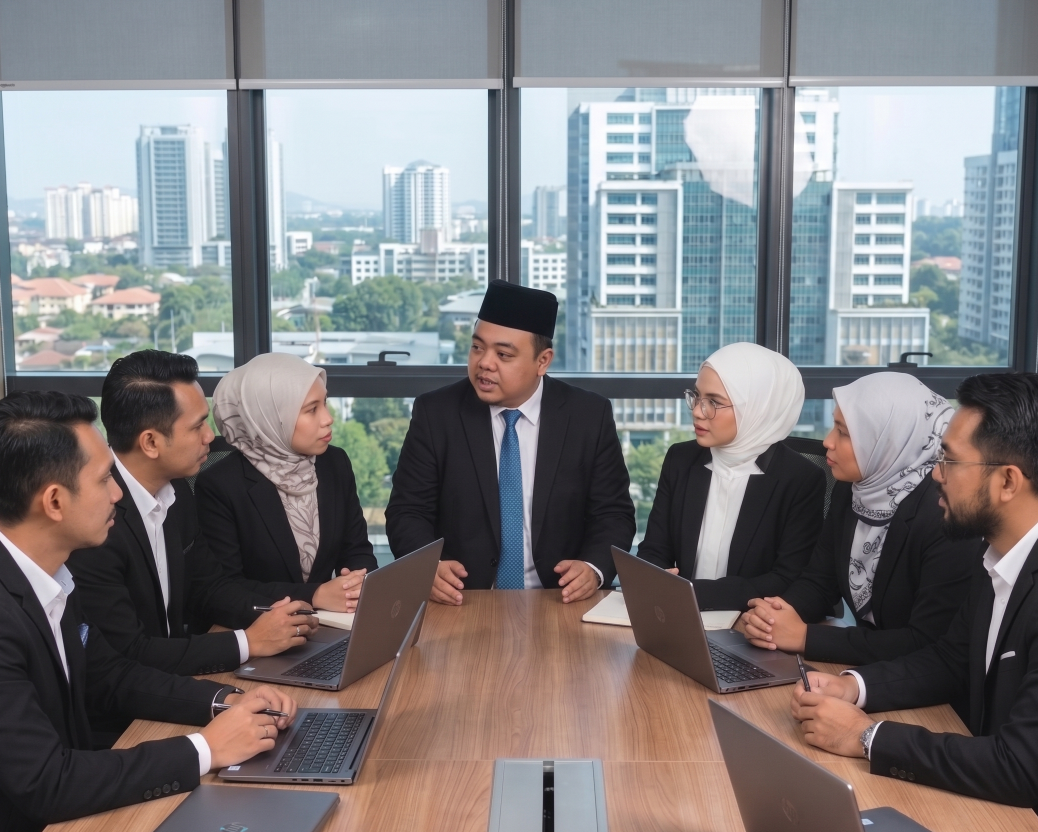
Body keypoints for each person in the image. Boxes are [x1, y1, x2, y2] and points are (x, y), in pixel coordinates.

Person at [0, 391, 297, 832]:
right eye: (104, 478)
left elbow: (111, 675)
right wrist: (205, 749)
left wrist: (225, 701)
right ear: (54, 502)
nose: (118, 492)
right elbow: (47, 782)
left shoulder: (51, 572)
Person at [790, 372, 1038, 826]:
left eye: (949, 460)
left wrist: (868, 737)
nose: (934, 474)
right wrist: (854, 687)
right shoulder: (997, 557)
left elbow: (1020, 766)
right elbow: (950, 660)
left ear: (1008, 481)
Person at [67, 351, 323, 746]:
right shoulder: (96, 522)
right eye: (198, 425)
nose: (210, 437)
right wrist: (247, 642)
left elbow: (210, 587)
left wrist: (295, 611)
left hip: (178, 686)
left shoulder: (177, 493)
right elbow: (128, 654)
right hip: (123, 725)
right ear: (151, 442)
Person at [386, 279, 635, 605]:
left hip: (559, 600)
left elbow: (613, 514)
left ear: (542, 361)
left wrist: (593, 568)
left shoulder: (588, 416)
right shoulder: (436, 413)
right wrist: (426, 567)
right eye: (477, 347)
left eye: (503, 354)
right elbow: (407, 511)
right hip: (463, 601)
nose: (485, 363)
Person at [739, 372, 980, 665]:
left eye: (844, 432)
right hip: (868, 664)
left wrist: (805, 637)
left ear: (889, 441)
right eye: (834, 426)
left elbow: (926, 642)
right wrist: (773, 617)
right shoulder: (853, 489)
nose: (828, 442)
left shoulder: (946, 514)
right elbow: (819, 581)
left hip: (920, 679)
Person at [636, 342, 824, 611]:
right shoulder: (680, 458)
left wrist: (691, 593)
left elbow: (787, 578)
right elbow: (654, 548)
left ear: (756, 408)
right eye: (696, 396)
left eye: (713, 402)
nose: (697, 411)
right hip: (676, 613)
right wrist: (655, 581)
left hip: (749, 621)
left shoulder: (800, 479)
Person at [196, 352, 377, 602]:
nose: (328, 419)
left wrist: (357, 585)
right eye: (311, 410)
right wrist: (314, 595)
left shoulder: (335, 463)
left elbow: (357, 550)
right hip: (261, 622)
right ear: (270, 419)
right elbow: (225, 587)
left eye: (324, 403)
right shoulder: (219, 485)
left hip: (333, 618)